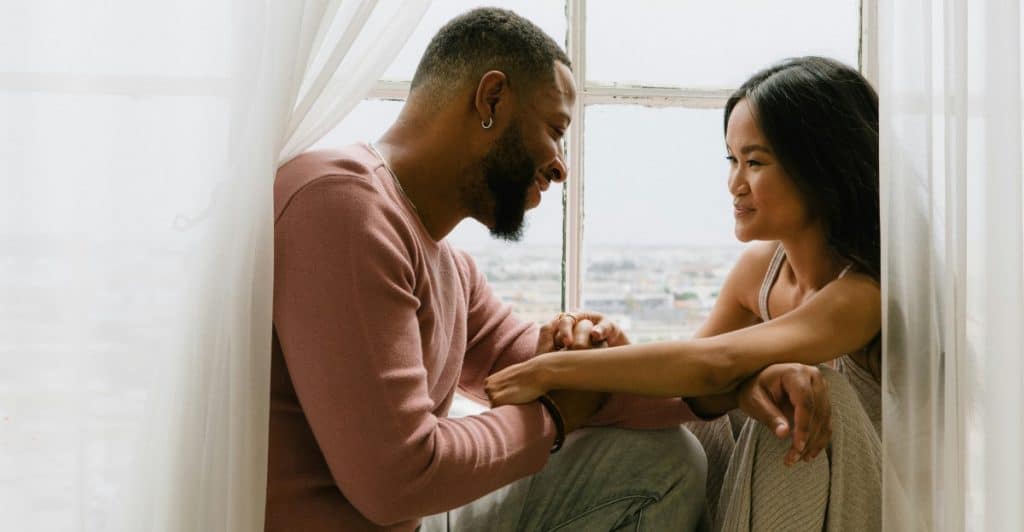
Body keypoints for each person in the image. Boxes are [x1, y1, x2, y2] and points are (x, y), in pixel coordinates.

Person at [266, 8, 833, 531]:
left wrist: (732, 389)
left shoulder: (446, 264)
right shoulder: (341, 205)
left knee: (662, 462)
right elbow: (396, 482)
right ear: (491, 100)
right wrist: (555, 416)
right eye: (556, 129)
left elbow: (549, 371)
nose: (560, 166)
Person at [485, 56, 883, 531]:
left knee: (803, 392)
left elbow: (714, 363)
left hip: (864, 507)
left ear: (822, 169)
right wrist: (610, 352)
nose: (735, 184)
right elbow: (693, 388)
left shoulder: (861, 295)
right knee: (715, 409)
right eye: (732, 160)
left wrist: (551, 369)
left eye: (755, 162)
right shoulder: (760, 271)